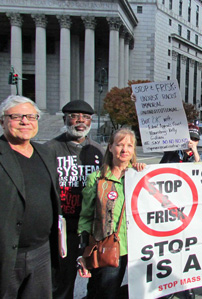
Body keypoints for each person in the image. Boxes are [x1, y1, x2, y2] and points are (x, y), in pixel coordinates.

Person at [0, 95, 61, 298]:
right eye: (17, 116)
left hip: (42, 251)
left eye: (31, 117)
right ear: (3, 121)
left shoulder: (45, 153)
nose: (25, 121)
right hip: (7, 255)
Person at [77, 127, 146, 299]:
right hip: (107, 249)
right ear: (110, 147)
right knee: (104, 292)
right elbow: (86, 216)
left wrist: (144, 173)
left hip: (138, 249)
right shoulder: (96, 179)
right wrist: (82, 251)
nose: (124, 150)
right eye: (119, 144)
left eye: (130, 145)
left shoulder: (139, 176)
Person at [46, 100, 105, 299]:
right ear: (65, 119)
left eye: (86, 117)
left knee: (97, 281)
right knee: (62, 283)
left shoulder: (98, 151)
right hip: (63, 228)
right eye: (74, 116)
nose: (80, 121)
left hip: (92, 228)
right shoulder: (50, 149)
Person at [159, 123, 202, 299]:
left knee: (187, 249)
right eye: (188, 138)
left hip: (188, 210)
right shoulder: (171, 153)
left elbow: (201, 174)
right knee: (169, 248)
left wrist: (195, 153)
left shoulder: (196, 157)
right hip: (170, 208)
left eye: (194, 139)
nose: (191, 142)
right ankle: (168, 284)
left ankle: (186, 286)